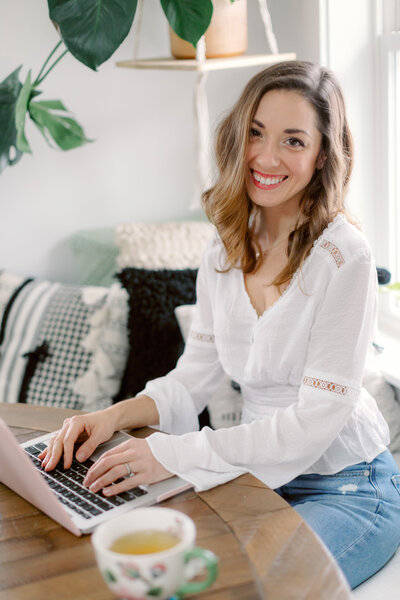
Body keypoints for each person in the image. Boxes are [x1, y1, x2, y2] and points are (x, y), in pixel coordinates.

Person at [40, 61, 400, 589]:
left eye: (293, 141)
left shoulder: (345, 258)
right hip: (256, 477)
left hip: (347, 486)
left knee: (251, 586)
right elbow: (194, 378)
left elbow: (315, 422)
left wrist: (175, 454)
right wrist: (113, 416)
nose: (266, 156)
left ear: (324, 154)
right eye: (256, 132)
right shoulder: (224, 249)